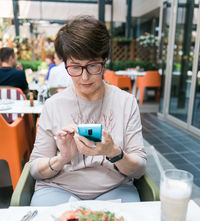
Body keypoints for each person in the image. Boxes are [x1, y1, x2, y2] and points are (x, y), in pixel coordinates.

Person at [29, 15, 146, 206]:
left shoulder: (126, 102)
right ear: (65, 64)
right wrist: (62, 158)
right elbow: (34, 168)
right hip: (59, 188)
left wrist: (114, 152)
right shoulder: (53, 105)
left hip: (114, 189)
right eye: (75, 67)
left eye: (92, 65)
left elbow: (139, 168)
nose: (84, 77)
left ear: (104, 60)